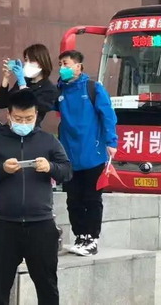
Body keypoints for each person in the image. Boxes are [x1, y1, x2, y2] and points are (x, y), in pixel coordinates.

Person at [0, 89, 71, 305]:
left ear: (36, 116)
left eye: (28, 118)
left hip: (41, 225)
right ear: (9, 115)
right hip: (4, 225)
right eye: (19, 118)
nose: (23, 122)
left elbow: (67, 171)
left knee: (47, 286)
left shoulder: (48, 141)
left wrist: (50, 167)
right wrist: (2, 169)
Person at [56, 50, 118, 257]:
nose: (62, 68)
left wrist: (111, 141)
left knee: (91, 198)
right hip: (69, 156)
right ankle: (80, 236)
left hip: (93, 154)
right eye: (60, 64)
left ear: (78, 66)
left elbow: (108, 115)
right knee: (73, 200)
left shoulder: (93, 88)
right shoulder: (60, 90)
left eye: (66, 64)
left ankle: (92, 238)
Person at [0, 44, 58, 126]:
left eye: (31, 60)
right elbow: (1, 103)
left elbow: (30, 106)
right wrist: (6, 78)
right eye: (26, 60)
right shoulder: (24, 81)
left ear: (42, 62)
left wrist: (22, 85)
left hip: (30, 129)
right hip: (11, 126)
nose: (26, 64)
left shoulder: (49, 89)